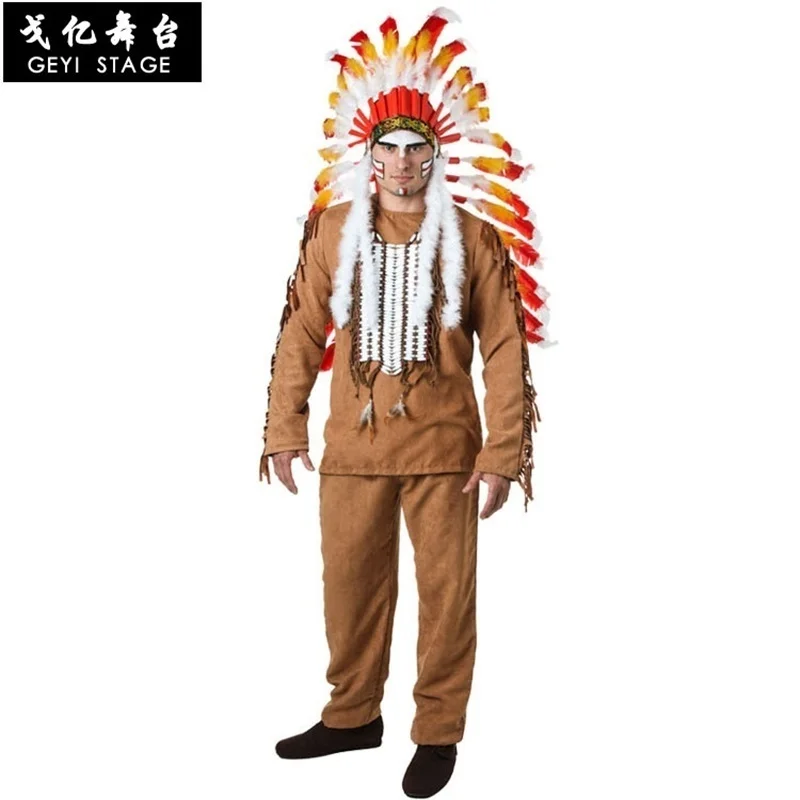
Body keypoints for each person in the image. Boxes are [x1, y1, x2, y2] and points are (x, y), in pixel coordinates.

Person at [258, 9, 552, 797]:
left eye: (415, 149)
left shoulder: (476, 238)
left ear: (436, 154)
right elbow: (301, 331)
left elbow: (504, 349)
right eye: (387, 149)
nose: (401, 164)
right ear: (368, 154)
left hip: (447, 451)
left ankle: (438, 731)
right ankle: (352, 715)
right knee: (348, 588)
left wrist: (502, 451)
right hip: (352, 451)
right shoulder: (332, 230)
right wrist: (283, 429)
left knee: (447, 599)